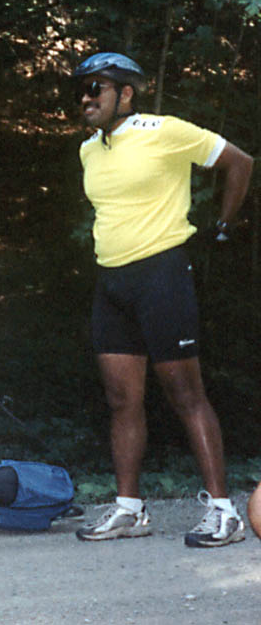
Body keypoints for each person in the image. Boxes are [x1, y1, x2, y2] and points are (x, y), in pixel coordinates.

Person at [71, 52, 253, 547]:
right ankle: (131, 509)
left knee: (184, 394)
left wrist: (223, 227)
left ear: (125, 93)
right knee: (121, 400)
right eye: (82, 90)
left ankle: (224, 512)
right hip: (112, 282)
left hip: (162, 276)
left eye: (97, 88)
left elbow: (240, 162)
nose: (86, 98)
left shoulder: (163, 130)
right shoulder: (91, 149)